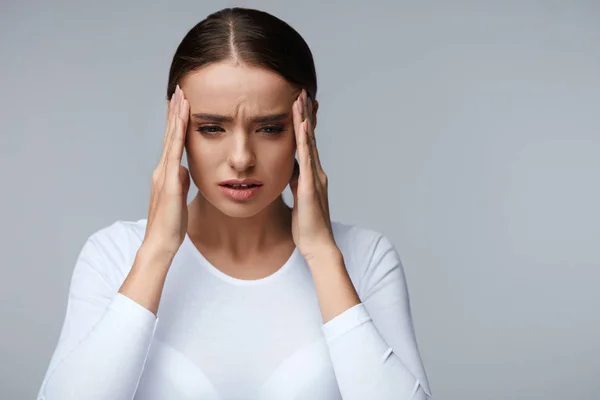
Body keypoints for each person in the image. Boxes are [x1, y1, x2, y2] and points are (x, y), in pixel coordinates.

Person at [36, 7, 432, 400]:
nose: (241, 158)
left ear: (306, 122)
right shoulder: (114, 255)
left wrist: (323, 256)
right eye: (211, 128)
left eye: (270, 128)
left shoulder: (365, 258)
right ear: (176, 125)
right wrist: (155, 253)